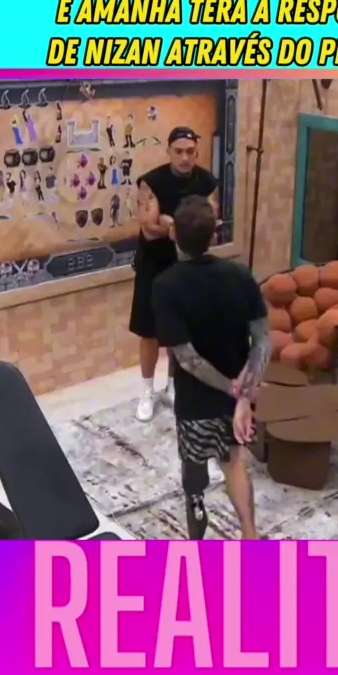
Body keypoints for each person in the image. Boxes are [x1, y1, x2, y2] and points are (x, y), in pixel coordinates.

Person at [152, 195, 271, 540]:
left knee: (193, 464)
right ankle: (250, 534)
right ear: (214, 234)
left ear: (173, 234)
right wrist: (243, 394)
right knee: (234, 460)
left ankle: (196, 509)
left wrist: (229, 387)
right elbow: (263, 340)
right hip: (237, 396)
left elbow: (187, 358)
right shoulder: (240, 275)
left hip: (196, 399)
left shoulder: (165, 286)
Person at [129, 126, 218, 422]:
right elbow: (148, 228)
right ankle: (146, 391)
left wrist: (170, 223)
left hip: (187, 266)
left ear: (197, 152)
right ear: (169, 151)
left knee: (180, 330)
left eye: (190, 152)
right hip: (154, 266)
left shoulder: (206, 182)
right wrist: (179, 227)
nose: (184, 157)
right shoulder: (151, 183)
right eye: (178, 151)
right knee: (149, 332)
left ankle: (171, 386)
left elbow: (210, 224)